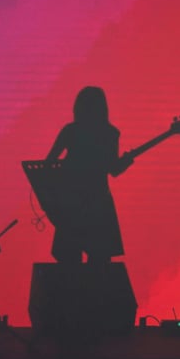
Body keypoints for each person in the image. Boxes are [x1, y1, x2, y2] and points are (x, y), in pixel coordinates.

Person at [46, 86, 132, 266]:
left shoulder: (70, 130)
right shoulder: (110, 133)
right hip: (98, 201)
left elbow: (49, 164)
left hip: (72, 202)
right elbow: (114, 170)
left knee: (69, 262)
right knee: (99, 261)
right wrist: (127, 160)